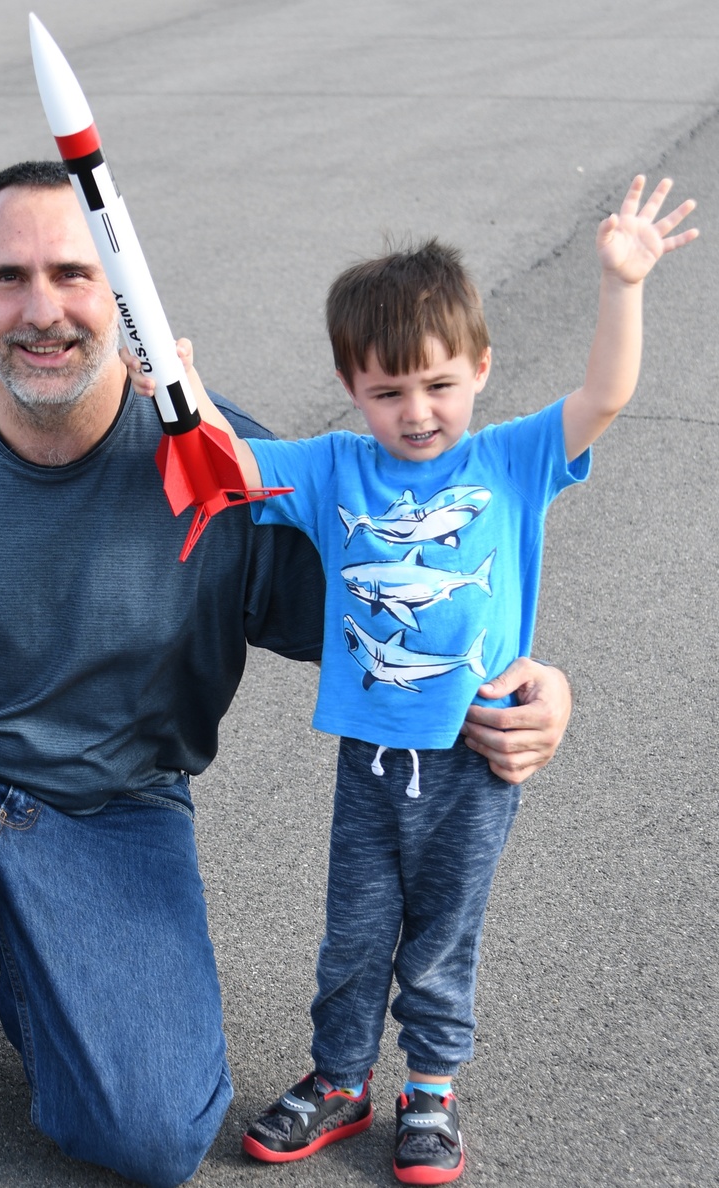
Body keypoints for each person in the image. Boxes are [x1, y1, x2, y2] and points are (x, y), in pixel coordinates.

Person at [0, 160, 573, 1188]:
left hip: (113, 803)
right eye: (8, 279)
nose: (42, 310)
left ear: (122, 293)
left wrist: (532, 688)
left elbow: (408, 611)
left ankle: (60, 981)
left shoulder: (225, 467)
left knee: (150, 1139)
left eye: (73, 276)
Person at [125, 175, 696, 1184]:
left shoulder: (510, 460)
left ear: (479, 368)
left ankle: (429, 1090)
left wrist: (622, 284)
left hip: (473, 758)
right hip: (372, 759)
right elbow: (224, 464)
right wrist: (177, 385)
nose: (416, 412)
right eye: (386, 392)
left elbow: (605, 393)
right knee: (353, 933)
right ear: (352, 388)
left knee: (441, 937)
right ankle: (338, 1081)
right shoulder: (338, 467)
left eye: (436, 384)